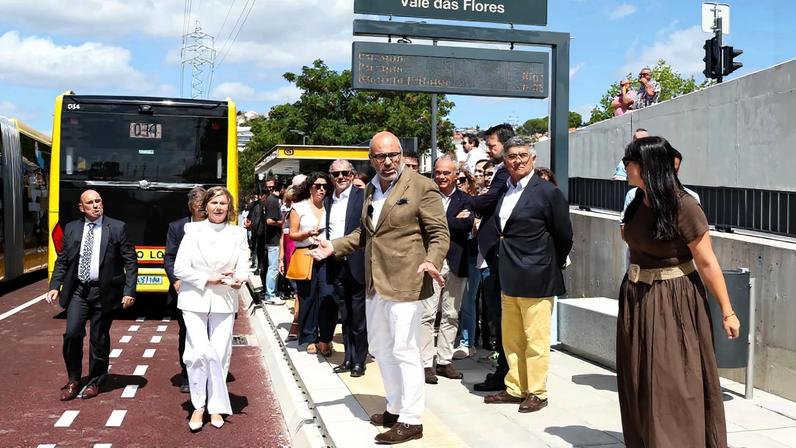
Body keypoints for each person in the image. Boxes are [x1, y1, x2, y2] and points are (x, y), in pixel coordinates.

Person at [312, 131, 449, 445]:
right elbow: (365, 235)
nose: (388, 161)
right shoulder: (369, 190)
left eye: (393, 155)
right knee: (382, 350)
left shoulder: (421, 187)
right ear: (371, 159)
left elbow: (439, 234)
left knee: (405, 350)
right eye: (380, 156)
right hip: (375, 281)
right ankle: (395, 406)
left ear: (400, 154)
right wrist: (333, 247)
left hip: (407, 280)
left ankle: (412, 420)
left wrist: (432, 260)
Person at [618, 136, 739, 447]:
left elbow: (707, 261)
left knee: (670, 382)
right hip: (636, 297)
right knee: (639, 380)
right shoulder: (637, 200)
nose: (625, 166)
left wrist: (728, 310)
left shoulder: (684, 206)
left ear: (646, 167)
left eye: (629, 161)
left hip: (671, 300)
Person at [482, 138, 573, 412]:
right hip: (508, 277)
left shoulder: (547, 192)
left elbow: (564, 236)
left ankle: (537, 392)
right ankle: (515, 387)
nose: (517, 160)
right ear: (505, 160)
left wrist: (546, 264)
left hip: (537, 278)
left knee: (535, 340)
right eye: (511, 156)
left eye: (522, 155)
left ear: (532, 158)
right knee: (512, 339)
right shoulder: (505, 191)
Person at [46, 189, 138, 401]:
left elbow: (130, 261)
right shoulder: (72, 228)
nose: (96, 205)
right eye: (90, 203)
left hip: (104, 291)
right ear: (82, 207)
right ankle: (74, 379)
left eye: (98, 201)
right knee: (72, 334)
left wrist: (129, 291)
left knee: (99, 338)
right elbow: (63, 260)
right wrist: (54, 285)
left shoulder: (116, 228)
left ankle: (95, 380)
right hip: (79, 290)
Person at [174, 186, 249, 431]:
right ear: (205, 206)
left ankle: (216, 406)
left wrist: (238, 278)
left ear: (230, 208)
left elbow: (244, 265)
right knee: (197, 353)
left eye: (223, 204)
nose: (218, 207)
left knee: (220, 352)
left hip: (225, 299)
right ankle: (198, 405)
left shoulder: (238, 233)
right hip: (194, 298)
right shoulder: (192, 230)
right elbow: (180, 268)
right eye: (214, 203)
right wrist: (209, 278)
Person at [420, 155, 473, 384]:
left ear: (455, 175)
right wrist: (452, 220)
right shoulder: (425, 197)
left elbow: (466, 224)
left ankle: (443, 360)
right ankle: (424, 363)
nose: (441, 177)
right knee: (427, 314)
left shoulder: (467, 200)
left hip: (456, 263)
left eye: (446, 173)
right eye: (438, 172)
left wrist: (440, 220)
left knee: (451, 313)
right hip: (430, 262)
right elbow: (421, 224)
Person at [469, 123, 514, 392]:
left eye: (493, 144)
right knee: (496, 316)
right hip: (491, 253)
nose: (489, 148)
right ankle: (503, 370)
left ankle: (505, 372)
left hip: (499, 255)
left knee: (501, 317)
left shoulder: (502, 173)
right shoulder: (499, 171)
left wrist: (467, 201)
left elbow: (489, 201)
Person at [323, 160, 368, 377]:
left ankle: (360, 360)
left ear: (352, 175)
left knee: (359, 316)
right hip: (335, 262)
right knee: (345, 316)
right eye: (336, 174)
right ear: (331, 176)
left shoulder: (363, 197)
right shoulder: (328, 202)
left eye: (345, 173)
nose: (341, 177)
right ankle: (348, 358)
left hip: (357, 263)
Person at [163, 186, 207, 394]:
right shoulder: (177, 227)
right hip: (185, 289)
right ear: (190, 207)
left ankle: (208, 373)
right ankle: (188, 374)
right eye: (198, 205)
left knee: (209, 333)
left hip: (211, 289)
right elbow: (169, 257)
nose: (202, 209)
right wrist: (176, 281)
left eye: (204, 205)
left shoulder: (215, 226)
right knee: (187, 332)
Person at [289, 172, 333, 356]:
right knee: (307, 298)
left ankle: (325, 338)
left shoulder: (331, 206)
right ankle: (309, 337)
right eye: (317, 185)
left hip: (326, 255)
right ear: (310, 188)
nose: (321, 189)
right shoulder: (298, 208)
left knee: (327, 296)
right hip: (306, 254)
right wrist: (307, 233)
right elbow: (292, 234)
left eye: (324, 186)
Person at [262, 177, 286, 305]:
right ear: (281, 188)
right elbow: (269, 220)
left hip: (274, 240)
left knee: (274, 267)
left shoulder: (274, 200)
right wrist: (283, 223)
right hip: (274, 241)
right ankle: (270, 294)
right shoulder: (273, 201)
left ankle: (272, 292)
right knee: (273, 268)